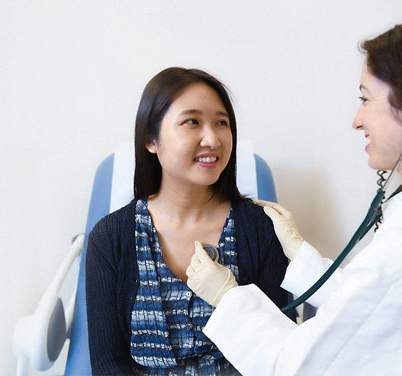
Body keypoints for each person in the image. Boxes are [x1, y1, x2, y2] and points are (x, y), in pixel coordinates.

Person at [185, 16, 402, 375]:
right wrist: (302, 258)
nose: (357, 120)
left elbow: (296, 369)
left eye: (366, 99)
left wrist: (227, 299)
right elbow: (377, 316)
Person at [85, 67, 294, 375]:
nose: (212, 138)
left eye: (221, 123)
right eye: (192, 122)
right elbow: (107, 364)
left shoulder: (261, 229)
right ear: (151, 140)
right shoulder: (111, 238)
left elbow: (278, 352)